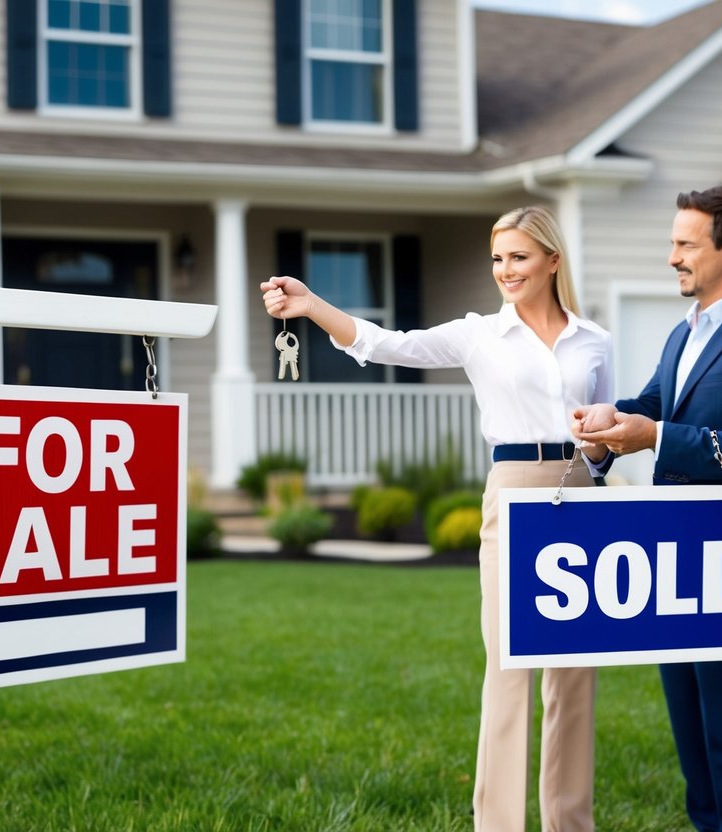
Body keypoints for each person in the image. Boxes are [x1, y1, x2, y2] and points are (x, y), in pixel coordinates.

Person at [260, 206, 614, 832]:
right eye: (498, 258)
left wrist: (600, 444)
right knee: (510, 666)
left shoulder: (595, 340)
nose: (506, 270)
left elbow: (609, 432)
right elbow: (386, 344)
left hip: (580, 490)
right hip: (513, 491)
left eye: (519, 257)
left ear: (552, 261)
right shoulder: (480, 333)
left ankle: (571, 822)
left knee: (574, 672)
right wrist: (314, 305)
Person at [573, 186, 722, 832]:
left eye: (684, 244)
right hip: (673, 548)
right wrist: (611, 420)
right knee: (687, 715)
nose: (671, 257)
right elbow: (657, 404)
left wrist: (651, 435)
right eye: (672, 242)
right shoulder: (686, 333)